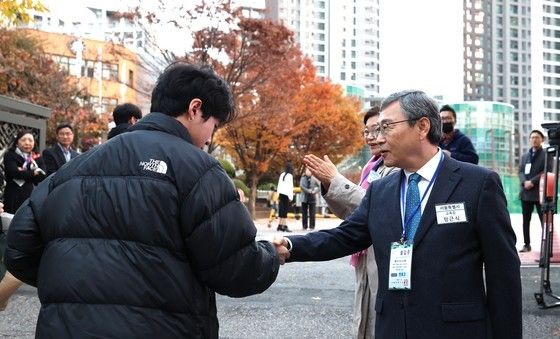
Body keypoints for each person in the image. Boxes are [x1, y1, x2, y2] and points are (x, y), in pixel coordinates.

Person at [5, 62, 285, 338]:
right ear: (195, 108)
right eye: (214, 125)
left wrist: (71, 287)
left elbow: (19, 248)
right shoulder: (199, 171)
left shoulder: (72, 169)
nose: (210, 138)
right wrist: (271, 255)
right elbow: (238, 270)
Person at [275, 90, 521, 339]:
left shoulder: (477, 184)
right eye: (375, 130)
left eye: (387, 127)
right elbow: (344, 237)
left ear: (422, 126)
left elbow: (504, 275)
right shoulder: (380, 190)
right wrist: (290, 245)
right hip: (392, 327)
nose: (378, 138)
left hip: (455, 330)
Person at [304, 106, 397, 338]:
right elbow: (353, 215)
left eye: (378, 129)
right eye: (366, 131)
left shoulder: (398, 167)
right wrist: (329, 184)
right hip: (363, 251)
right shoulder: (371, 167)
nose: (371, 137)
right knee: (363, 316)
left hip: (381, 253)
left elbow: (376, 207)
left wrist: (336, 181)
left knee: (380, 316)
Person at [2, 131, 46, 214]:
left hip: (32, 194)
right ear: (17, 143)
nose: (27, 143)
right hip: (13, 195)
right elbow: (14, 173)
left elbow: (42, 176)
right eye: (23, 140)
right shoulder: (10, 155)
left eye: (30, 140)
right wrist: (33, 172)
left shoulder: (37, 158)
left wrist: (23, 172)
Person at [518, 130, 546, 253]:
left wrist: (532, 182)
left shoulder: (546, 155)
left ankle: (546, 245)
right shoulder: (525, 156)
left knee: (543, 221)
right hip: (526, 193)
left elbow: (546, 171)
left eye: (537, 137)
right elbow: (520, 171)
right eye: (532, 137)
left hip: (540, 193)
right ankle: (526, 244)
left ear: (542, 140)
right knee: (525, 220)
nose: (534, 139)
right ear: (529, 140)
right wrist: (524, 182)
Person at [276, 163, 294, 232]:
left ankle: (280, 225)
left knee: (281, 210)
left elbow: (279, 185)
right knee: (285, 210)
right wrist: (291, 197)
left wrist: (278, 194)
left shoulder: (282, 175)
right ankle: (285, 225)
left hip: (281, 194)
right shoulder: (290, 176)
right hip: (286, 194)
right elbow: (290, 187)